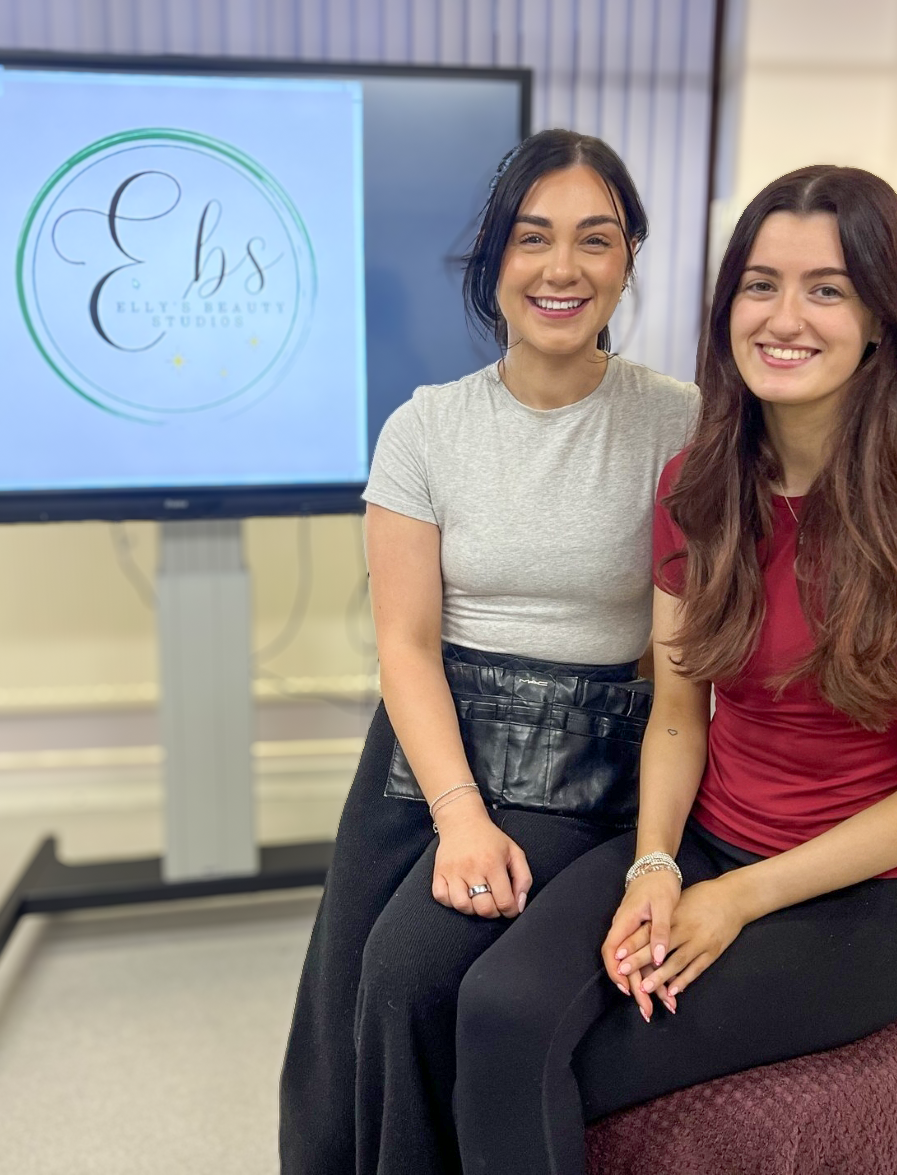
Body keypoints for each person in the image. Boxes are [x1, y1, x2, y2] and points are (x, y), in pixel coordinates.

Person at [449, 164, 897, 1174]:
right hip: (705, 846)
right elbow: (679, 711)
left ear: (882, 320)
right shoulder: (698, 484)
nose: (785, 317)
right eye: (760, 285)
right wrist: (655, 863)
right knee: (496, 1013)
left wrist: (743, 897)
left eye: (828, 288)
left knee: (565, 1059)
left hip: (855, 903)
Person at [278, 129, 700, 1175]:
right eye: (533, 238)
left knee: (411, 971)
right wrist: (460, 813)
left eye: (595, 240)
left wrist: (657, 849)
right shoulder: (423, 429)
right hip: (432, 748)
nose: (563, 269)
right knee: (342, 1015)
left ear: (629, 259)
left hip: (584, 756)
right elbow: (407, 647)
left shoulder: (679, 424)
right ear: (494, 261)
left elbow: (679, 668)